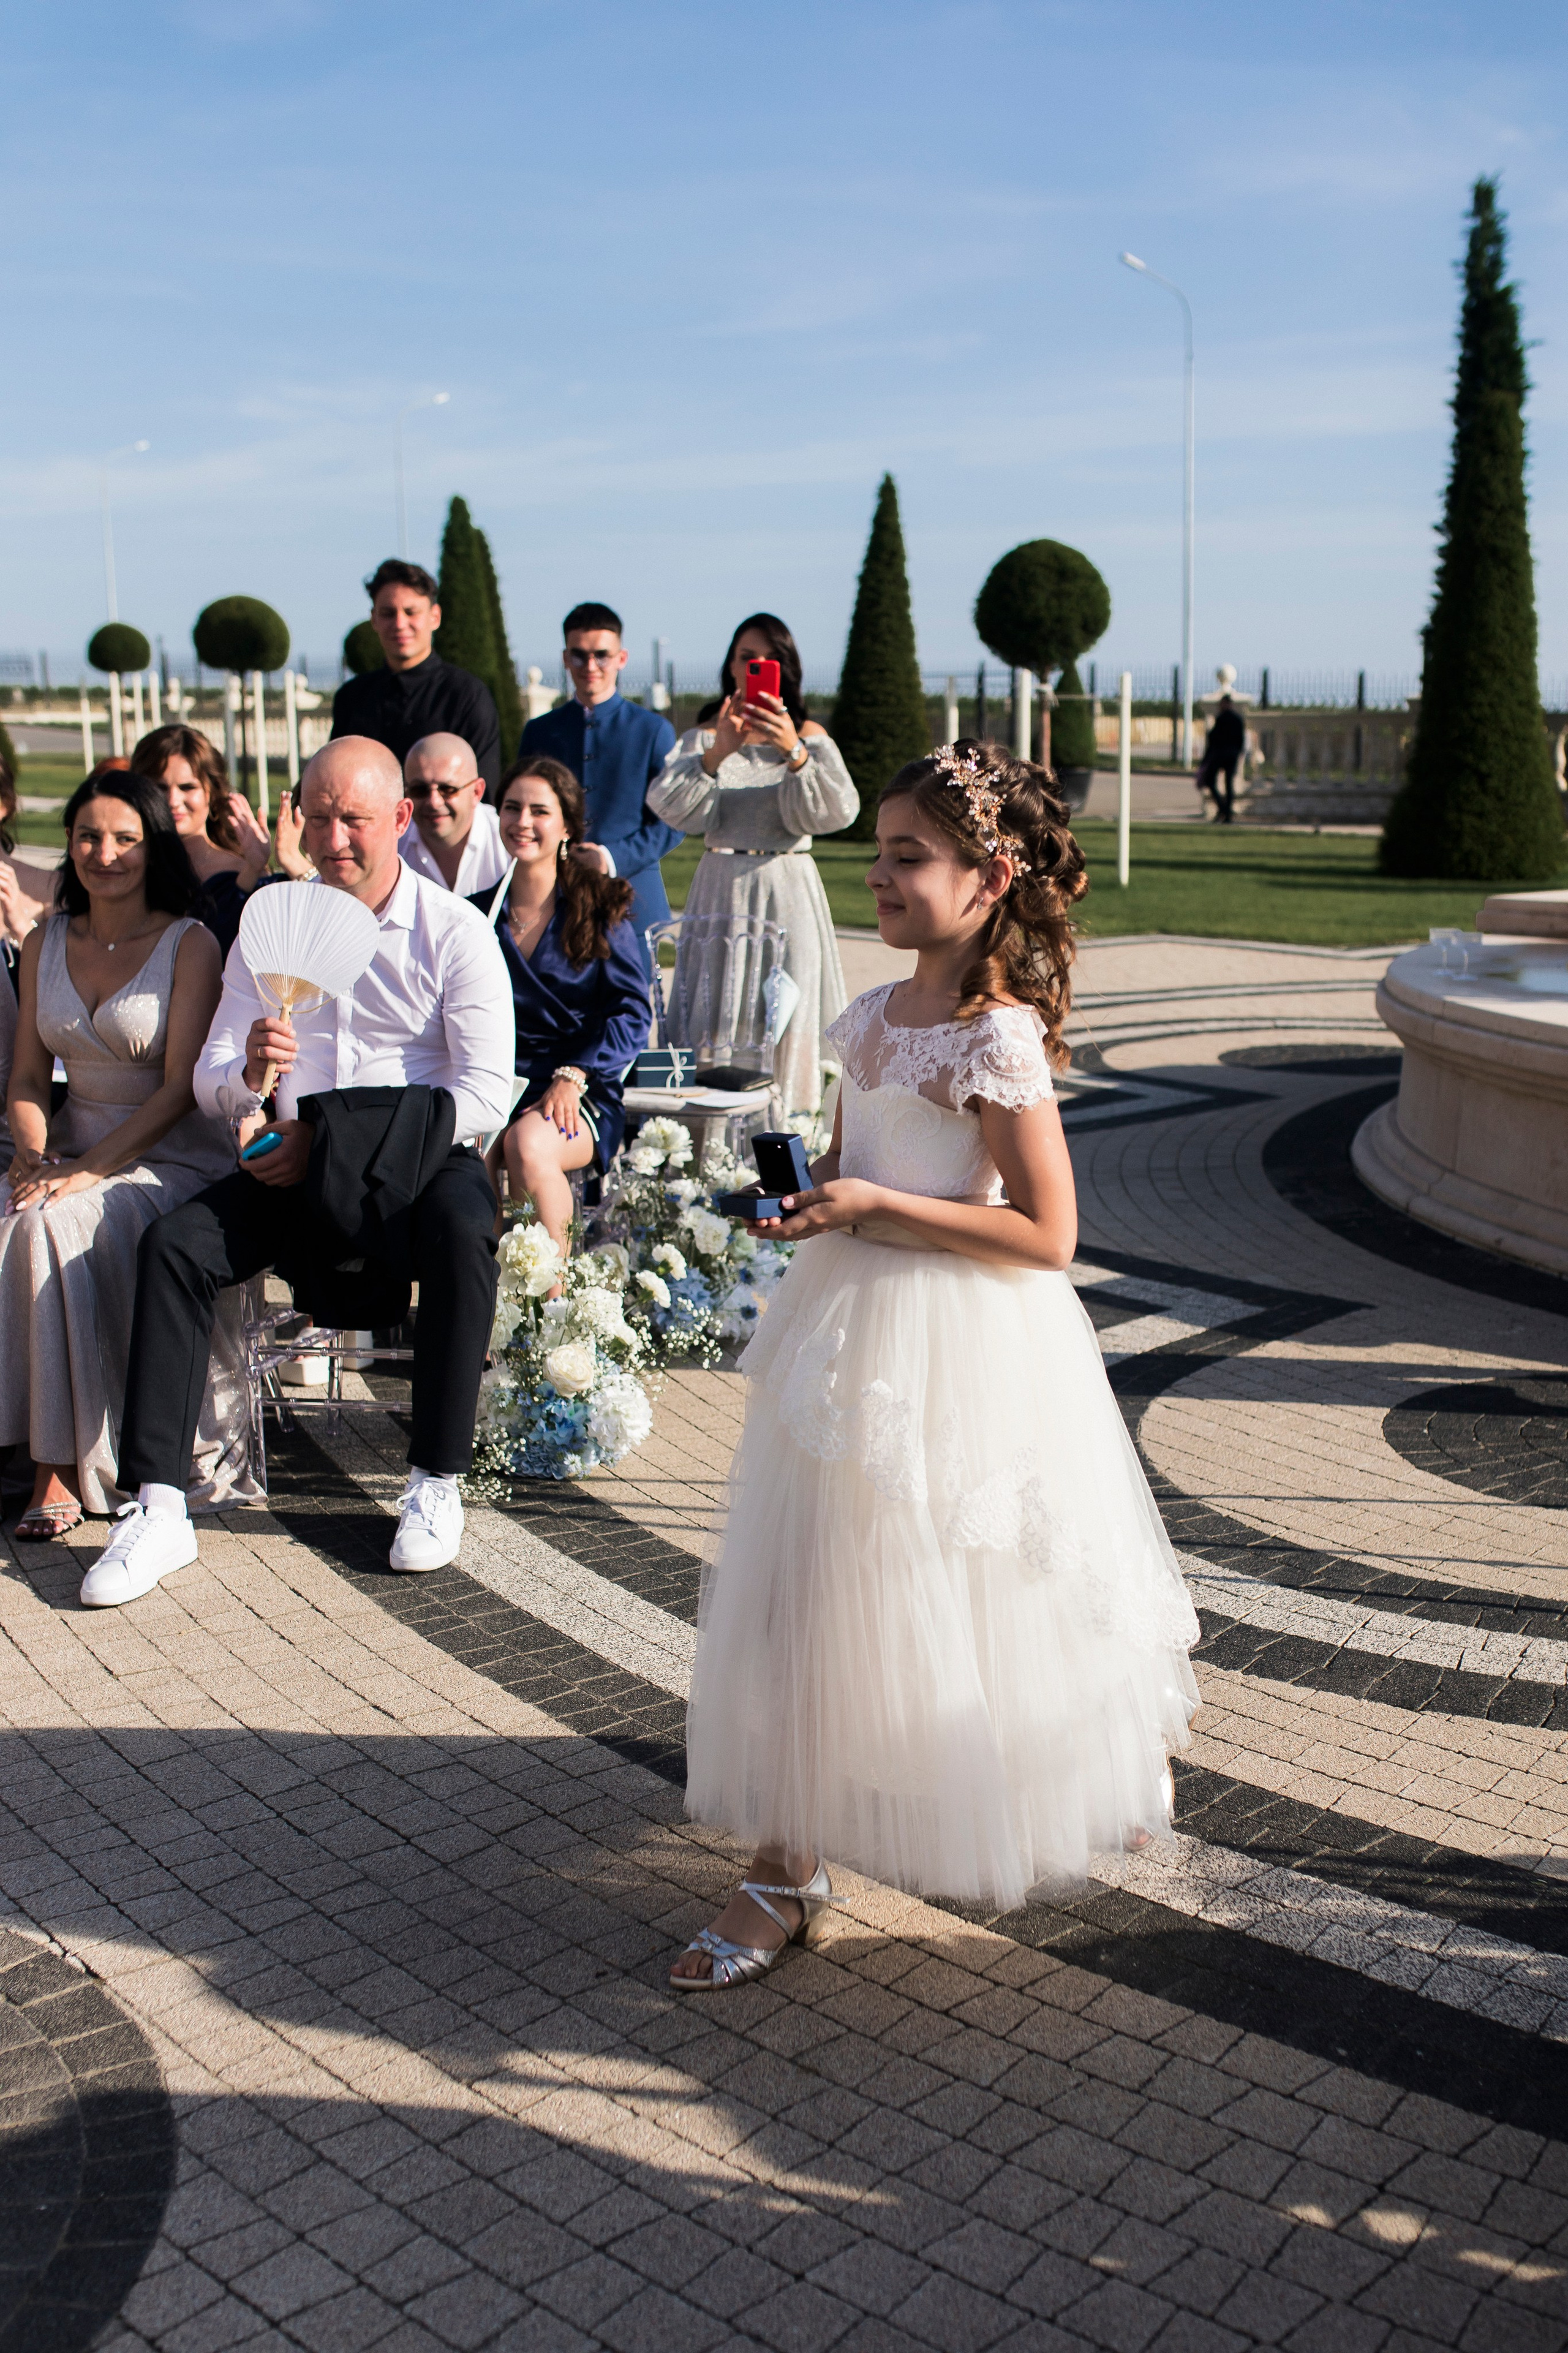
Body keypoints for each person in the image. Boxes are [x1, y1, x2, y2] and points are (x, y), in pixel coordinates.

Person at [671, 741, 1200, 1988]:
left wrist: (868, 1205)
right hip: (841, 1333)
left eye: (907, 856)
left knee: (981, 1589)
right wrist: (807, 1206)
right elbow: (853, 1168)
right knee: (808, 1591)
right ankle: (785, 1865)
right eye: (878, 856)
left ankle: (1078, 1762)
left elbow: (1046, 1233)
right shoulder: (865, 1017)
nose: (881, 878)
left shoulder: (995, 1035)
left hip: (964, 1342)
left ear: (987, 876)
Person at [78, 738, 516, 1609]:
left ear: (398, 819)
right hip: (291, 1169)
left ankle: (435, 1477)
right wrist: (248, 1084)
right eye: (317, 816)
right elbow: (208, 1080)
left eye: (353, 818)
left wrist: (345, 1142)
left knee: (468, 1227)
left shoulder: (453, 930)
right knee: (175, 1246)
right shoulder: (270, 922)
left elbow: (484, 1092)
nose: (333, 837)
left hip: (420, 1166)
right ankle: (161, 1503)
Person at [0, 772, 256, 1538]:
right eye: (87, 836)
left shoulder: (189, 943)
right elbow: (22, 1077)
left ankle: (57, 1468)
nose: (103, 853)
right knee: (17, 1211)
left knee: (48, 1225)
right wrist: (34, 1153)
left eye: (123, 839)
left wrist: (85, 1171)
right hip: (68, 1141)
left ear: (152, 848)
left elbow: (180, 1089)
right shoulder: (44, 940)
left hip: (169, 1155)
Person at [648, 614, 858, 1119]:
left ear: (787, 669)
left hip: (789, 889)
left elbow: (838, 810)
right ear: (731, 664)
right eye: (746, 657)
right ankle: (702, 1149)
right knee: (711, 1011)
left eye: (769, 660)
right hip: (720, 890)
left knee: (789, 1014)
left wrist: (794, 752)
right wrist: (720, 750)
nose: (756, 668)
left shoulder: (808, 735)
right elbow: (669, 806)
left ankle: (794, 1133)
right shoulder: (703, 736)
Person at [472, 755, 650, 1258]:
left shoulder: (601, 905)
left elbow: (632, 1012)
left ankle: (553, 1310)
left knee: (526, 1145)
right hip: (495, 1081)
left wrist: (575, 1074)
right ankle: (484, 1309)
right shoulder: (474, 913)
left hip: (580, 1082)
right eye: (511, 808)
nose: (522, 822)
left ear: (567, 824)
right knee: (470, 1148)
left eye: (539, 810)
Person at [514, 602, 680, 957]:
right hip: (554, 903)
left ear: (621, 658)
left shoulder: (654, 731)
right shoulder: (539, 732)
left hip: (634, 902)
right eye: (580, 655)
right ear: (565, 658)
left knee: (634, 1013)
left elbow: (673, 822)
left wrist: (610, 857)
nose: (591, 666)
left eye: (602, 655)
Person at [331, 560, 500, 796]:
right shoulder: (351, 698)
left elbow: (483, 794)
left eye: (411, 612)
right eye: (388, 613)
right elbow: (334, 780)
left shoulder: (466, 696)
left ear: (435, 616)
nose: (400, 624)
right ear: (374, 619)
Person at [130, 723, 274, 956]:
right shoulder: (123, 866)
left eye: (188, 787)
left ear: (212, 792)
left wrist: (254, 869)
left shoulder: (247, 871)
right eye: (159, 788)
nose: (173, 800)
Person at [399, 733, 509, 895]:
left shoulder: (508, 844)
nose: (434, 802)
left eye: (448, 790)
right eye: (419, 790)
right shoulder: (393, 847)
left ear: (477, 792)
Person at [1197, 693, 1246, 823]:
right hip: (1230, 755)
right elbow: (1241, 741)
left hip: (1221, 755)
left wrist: (1206, 759)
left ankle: (1224, 810)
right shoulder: (1237, 719)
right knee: (1227, 784)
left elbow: (1213, 740)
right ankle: (1226, 811)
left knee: (1212, 781)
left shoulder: (1223, 719)